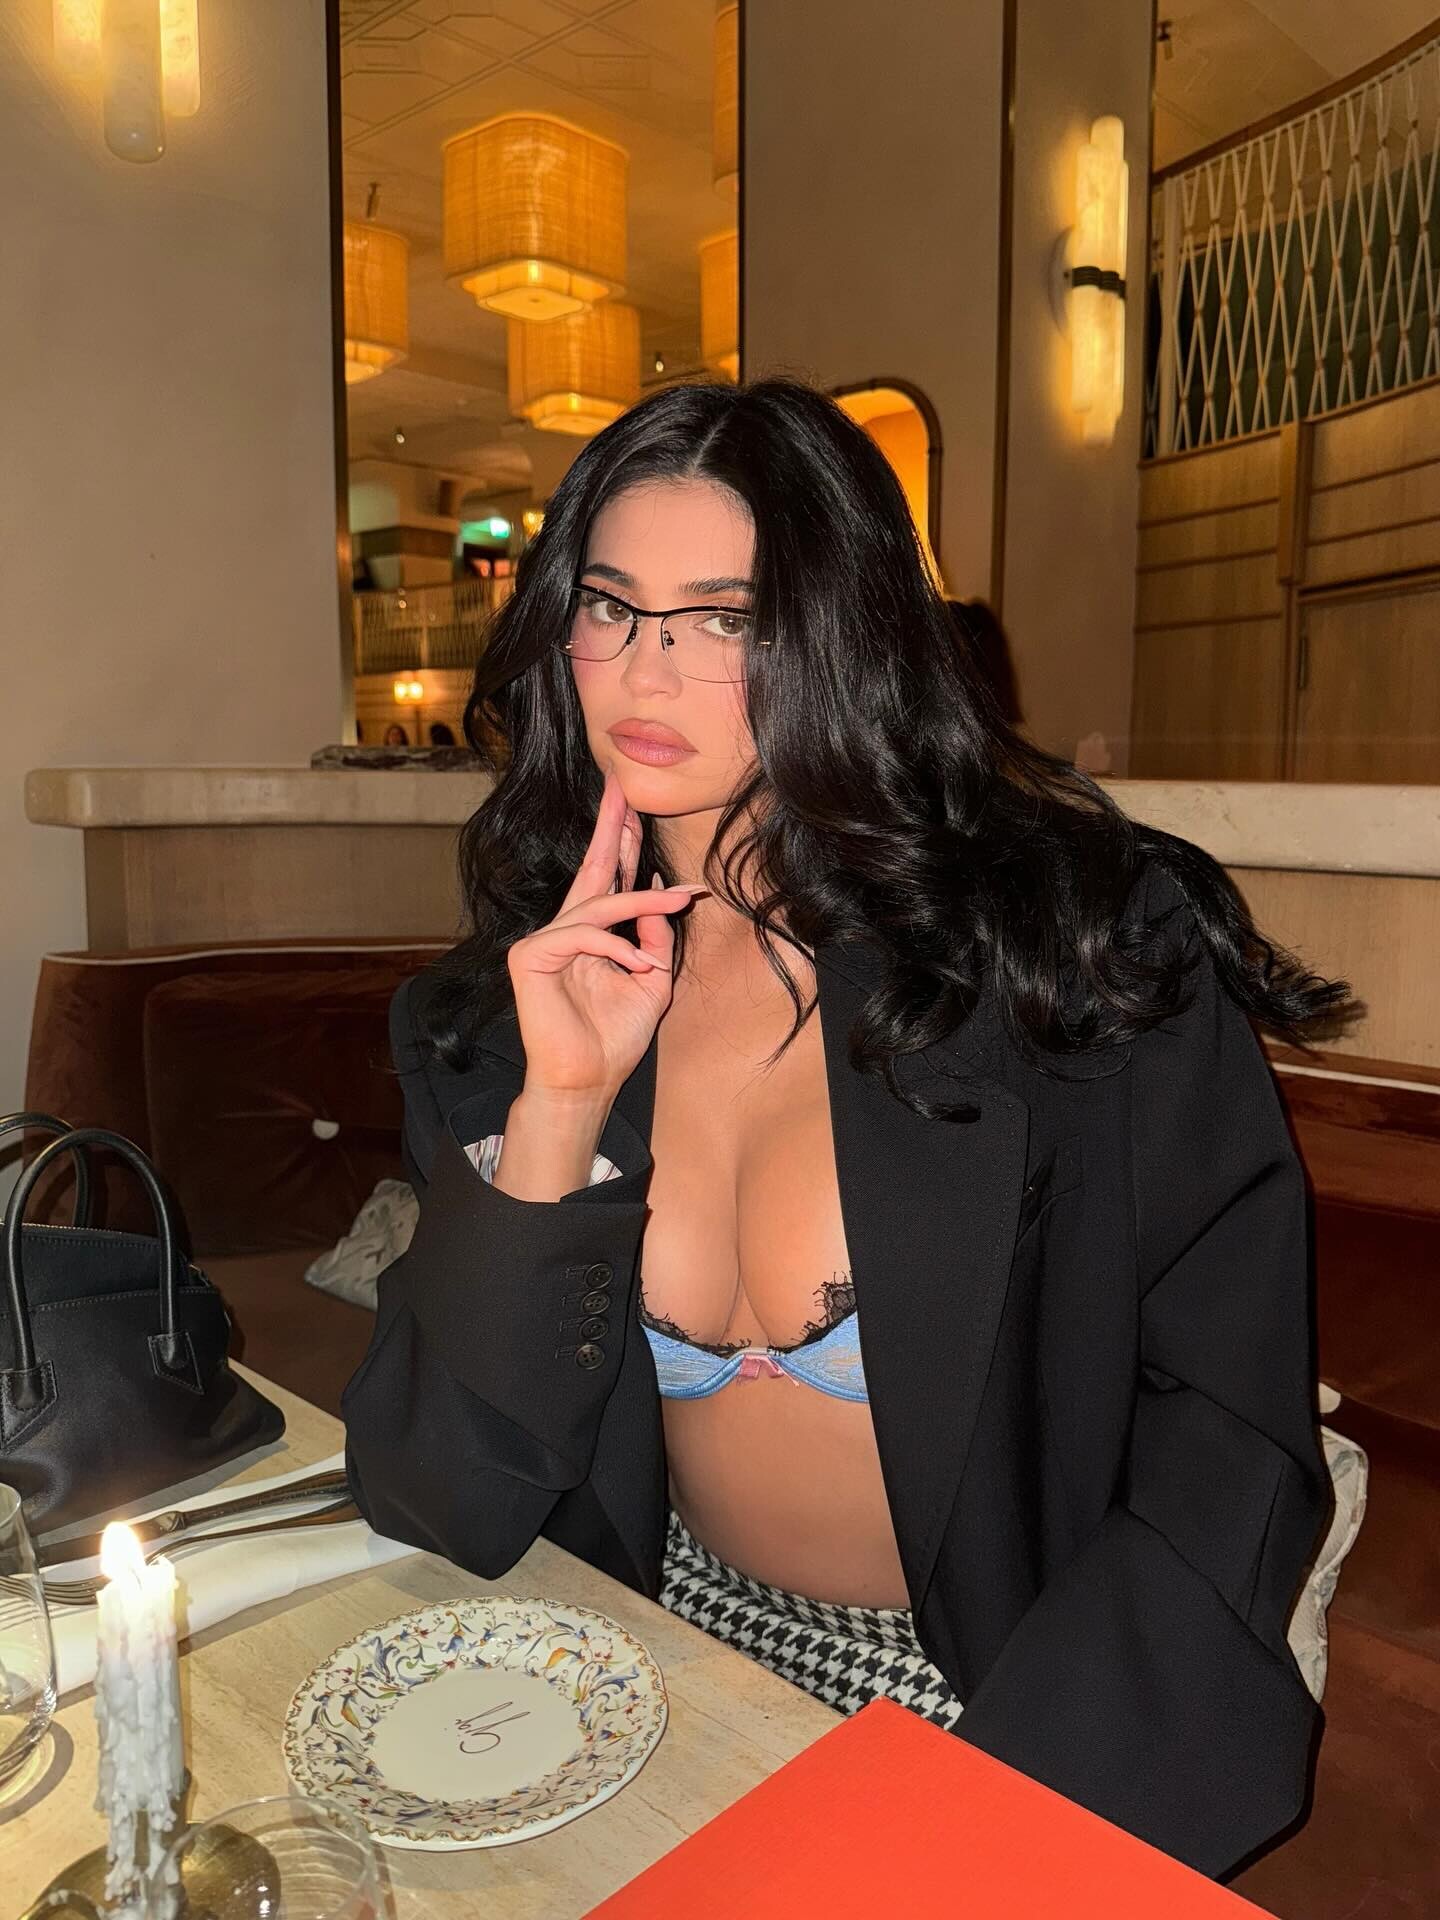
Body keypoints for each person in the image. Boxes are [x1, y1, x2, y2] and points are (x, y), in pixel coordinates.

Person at [343, 377, 1355, 1878]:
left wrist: (999, 1817)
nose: (647, 670)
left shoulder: (1066, 953)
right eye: (611, 608)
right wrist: (558, 1113)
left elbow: (1226, 1433)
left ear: (845, 633)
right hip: (649, 1665)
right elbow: (437, 1495)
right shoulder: (513, 1003)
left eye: (725, 619)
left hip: (1005, 1699)